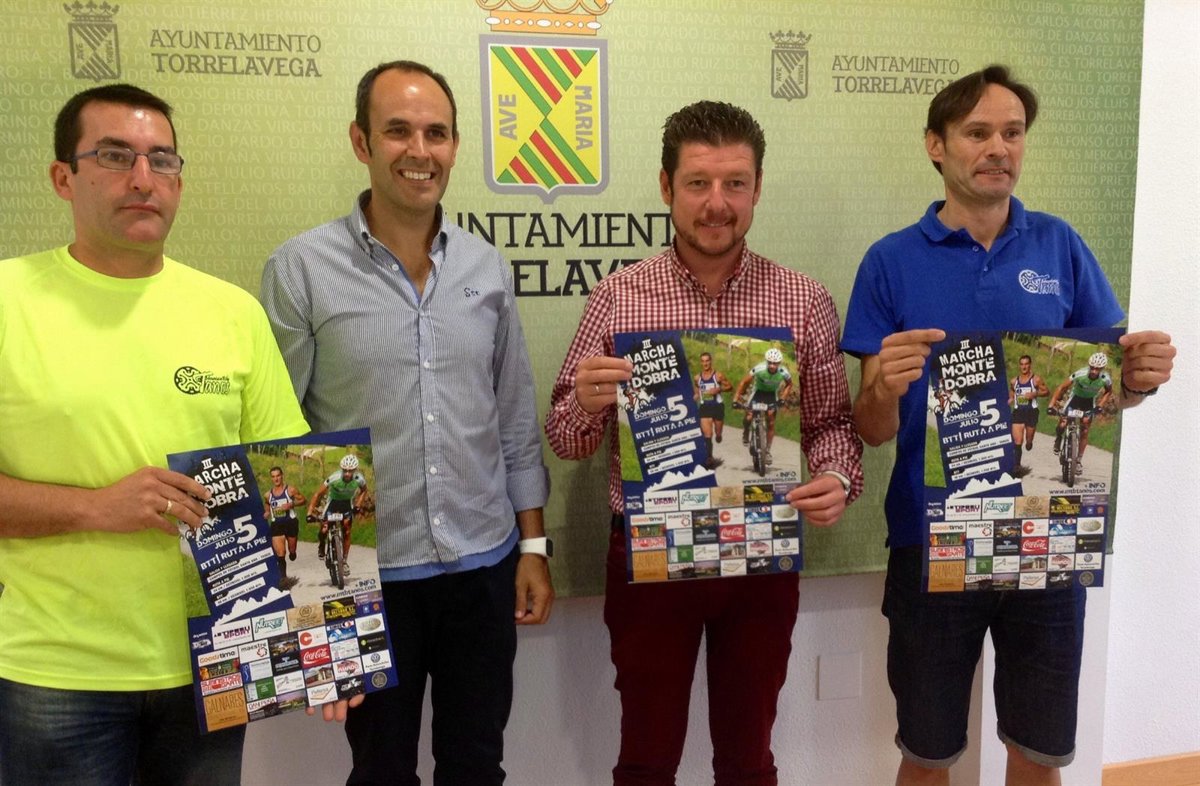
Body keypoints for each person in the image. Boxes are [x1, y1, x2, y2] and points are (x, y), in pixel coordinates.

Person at [841, 65, 1176, 786]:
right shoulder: (889, 261)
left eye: (1012, 133)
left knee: (1037, 750)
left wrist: (1136, 379)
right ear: (936, 145)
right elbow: (871, 427)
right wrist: (882, 386)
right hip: (931, 538)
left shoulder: (1061, 246)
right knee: (927, 753)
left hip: (1046, 537)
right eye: (977, 133)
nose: (998, 148)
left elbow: (1102, 386)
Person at [545, 100, 863, 786]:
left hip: (761, 557)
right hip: (651, 555)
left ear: (757, 188)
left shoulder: (803, 299)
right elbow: (565, 440)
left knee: (749, 759)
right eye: (697, 183)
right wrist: (586, 403)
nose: (717, 203)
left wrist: (837, 479)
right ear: (667, 187)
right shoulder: (618, 297)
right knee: (646, 757)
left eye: (735, 183)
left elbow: (832, 425)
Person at [0, 84, 308, 785]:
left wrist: (327, 644)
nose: (143, 178)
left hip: (212, 666)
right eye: (114, 156)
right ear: (63, 177)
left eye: (161, 160)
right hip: (54, 673)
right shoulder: (9, 300)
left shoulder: (232, 312)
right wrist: (94, 507)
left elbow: (286, 480)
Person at [260, 60, 553, 784]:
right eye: (398, 131)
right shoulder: (300, 269)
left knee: (477, 765)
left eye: (436, 133)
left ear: (454, 146)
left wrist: (533, 547)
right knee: (381, 771)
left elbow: (514, 419)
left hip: (483, 565)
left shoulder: (486, 267)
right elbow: (282, 441)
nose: (419, 151)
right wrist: (311, 600)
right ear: (361, 141)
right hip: (367, 579)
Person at [1048, 352, 1115, 473]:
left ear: (1102, 369)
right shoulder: (1080, 374)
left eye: (1098, 369)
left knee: (1085, 429)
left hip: (1088, 401)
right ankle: (1058, 438)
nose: (1094, 371)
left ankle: (1078, 460)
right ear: (1089, 366)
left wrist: (1100, 405)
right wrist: (1051, 405)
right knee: (1063, 423)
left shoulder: (1105, 378)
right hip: (1075, 399)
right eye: (1092, 367)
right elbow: (1062, 387)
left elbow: (1108, 391)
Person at [733, 347, 794, 465]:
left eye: (775, 363)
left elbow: (789, 384)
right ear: (766, 361)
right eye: (770, 362)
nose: (772, 366)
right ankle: (746, 431)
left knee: (771, 421)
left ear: (779, 363)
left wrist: (783, 398)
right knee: (749, 417)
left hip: (771, 395)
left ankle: (767, 451)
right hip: (757, 393)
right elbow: (744, 382)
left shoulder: (784, 372)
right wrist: (736, 399)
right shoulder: (759, 369)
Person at [307, 454, 369, 572]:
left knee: (347, 530)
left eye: (350, 471)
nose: (347, 474)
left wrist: (358, 505)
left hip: (346, 504)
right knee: (324, 529)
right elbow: (317, 494)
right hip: (332, 503)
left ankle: (344, 561)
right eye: (345, 470)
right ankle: (322, 545)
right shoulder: (334, 478)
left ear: (355, 470)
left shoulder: (359, 479)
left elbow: (364, 490)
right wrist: (309, 513)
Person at [265, 465, 307, 589]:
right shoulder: (268, 495)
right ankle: (283, 579)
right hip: (277, 524)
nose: (276, 479)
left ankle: (293, 553)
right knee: (280, 553)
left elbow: (303, 500)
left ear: (282, 476)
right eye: (273, 477)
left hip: (290, 523)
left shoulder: (290, 490)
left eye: (278, 476)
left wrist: (291, 504)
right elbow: (267, 505)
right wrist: (267, 513)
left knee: (291, 551)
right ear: (271, 478)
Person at [1007, 353, 1048, 476]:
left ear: (1030, 365)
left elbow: (1046, 391)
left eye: (1026, 364)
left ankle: (1030, 442)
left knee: (1028, 441)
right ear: (1019, 366)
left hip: (1031, 412)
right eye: (1022, 364)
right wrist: (1011, 399)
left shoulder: (1036, 379)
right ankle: (1017, 466)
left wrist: (1035, 394)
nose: (1024, 367)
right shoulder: (1014, 381)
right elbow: (1012, 391)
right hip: (1018, 412)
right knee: (1017, 441)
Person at [693, 351, 733, 468]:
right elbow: (697, 391)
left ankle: (719, 435)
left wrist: (719, 389)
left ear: (711, 361)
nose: (705, 363)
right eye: (703, 361)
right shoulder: (697, 378)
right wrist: (695, 397)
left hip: (717, 406)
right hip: (705, 407)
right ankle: (709, 458)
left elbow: (730, 386)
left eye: (707, 361)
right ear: (701, 363)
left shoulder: (718, 375)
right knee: (707, 435)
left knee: (717, 434)